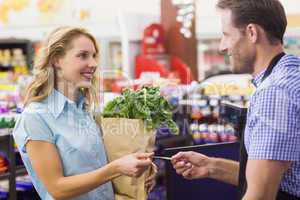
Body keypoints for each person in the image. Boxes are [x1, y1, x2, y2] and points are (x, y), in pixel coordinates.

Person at [171, 0, 300, 200]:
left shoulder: (273, 93)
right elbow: (276, 176)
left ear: (251, 33)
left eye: (226, 35)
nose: (222, 47)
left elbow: (261, 194)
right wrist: (211, 166)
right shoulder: (291, 73)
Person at [13, 26, 156, 200]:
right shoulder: (36, 117)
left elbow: (97, 167)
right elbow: (57, 188)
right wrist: (116, 169)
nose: (94, 64)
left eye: (94, 56)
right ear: (57, 60)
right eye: (83, 55)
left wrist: (138, 172)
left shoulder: (86, 109)